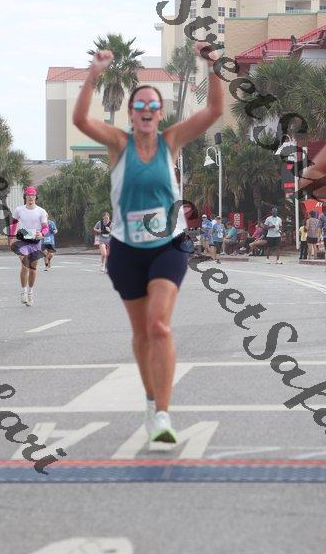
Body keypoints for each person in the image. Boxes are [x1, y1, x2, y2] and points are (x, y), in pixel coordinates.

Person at [73, 43, 223, 443]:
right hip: (125, 250)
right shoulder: (118, 145)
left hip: (167, 246)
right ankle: (150, 398)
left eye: (152, 106)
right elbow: (80, 120)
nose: (145, 110)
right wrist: (93, 74)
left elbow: (213, 112)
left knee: (159, 326)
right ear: (131, 113)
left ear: (160, 113)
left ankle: (163, 415)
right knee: (141, 335)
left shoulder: (170, 141)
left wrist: (212, 65)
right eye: (139, 105)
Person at [9, 186, 49, 306]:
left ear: (36, 197)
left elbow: (46, 227)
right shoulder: (19, 210)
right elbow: (13, 224)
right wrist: (11, 238)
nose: (30, 197)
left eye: (32, 195)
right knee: (25, 266)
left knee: (32, 269)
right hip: (23, 240)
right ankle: (24, 292)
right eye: (28, 195)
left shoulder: (41, 211)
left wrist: (42, 234)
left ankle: (30, 293)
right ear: (25, 197)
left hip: (36, 242)